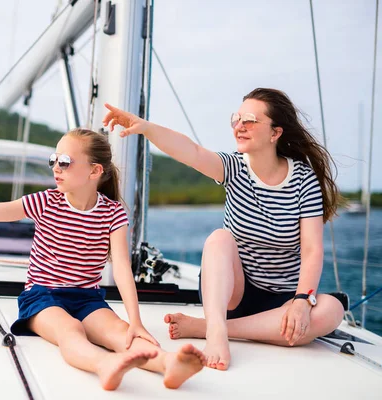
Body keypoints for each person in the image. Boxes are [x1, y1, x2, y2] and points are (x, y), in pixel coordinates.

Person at [0, 127, 204, 391]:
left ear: (95, 171)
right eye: (54, 160)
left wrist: (135, 321)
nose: (55, 167)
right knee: (70, 332)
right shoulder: (45, 201)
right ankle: (104, 364)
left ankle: (168, 363)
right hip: (41, 297)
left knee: (120, 333)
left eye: (64, 161)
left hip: (88, 298)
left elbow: (121, 266)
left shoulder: (112, 212)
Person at [103, 88, 345, 371]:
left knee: (332, 310)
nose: (239, 127)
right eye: (236, 119)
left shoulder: (303, 179)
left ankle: (209, 327)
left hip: (283, 302)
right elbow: (191, 152)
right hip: (233, 294)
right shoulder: (233, 167)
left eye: (250, 120)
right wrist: (146, 128)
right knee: (220, 238)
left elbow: (312, 249)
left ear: (275, 133)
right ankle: (217, 332)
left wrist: (303, 301)